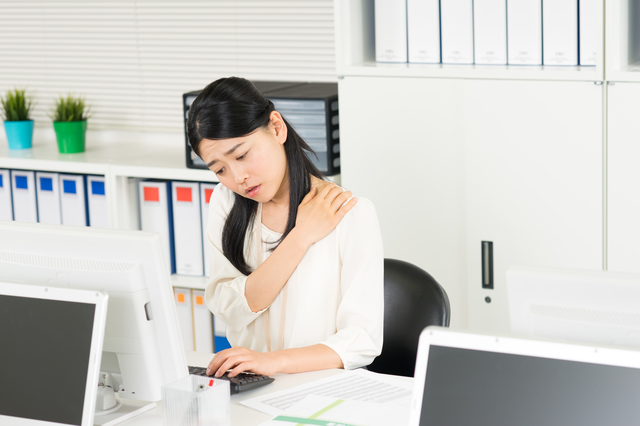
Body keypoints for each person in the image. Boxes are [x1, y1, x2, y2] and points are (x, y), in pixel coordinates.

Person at [186, 77, 383, 378]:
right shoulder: (226, 201)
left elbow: (362, 340)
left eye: (242, 155)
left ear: (277, 128)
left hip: (320, 389)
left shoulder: (350, 213)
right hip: (249, 384)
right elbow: (229, 308)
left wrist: (272, 362)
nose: (238, 177)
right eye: (220, 169)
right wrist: (300, 237)